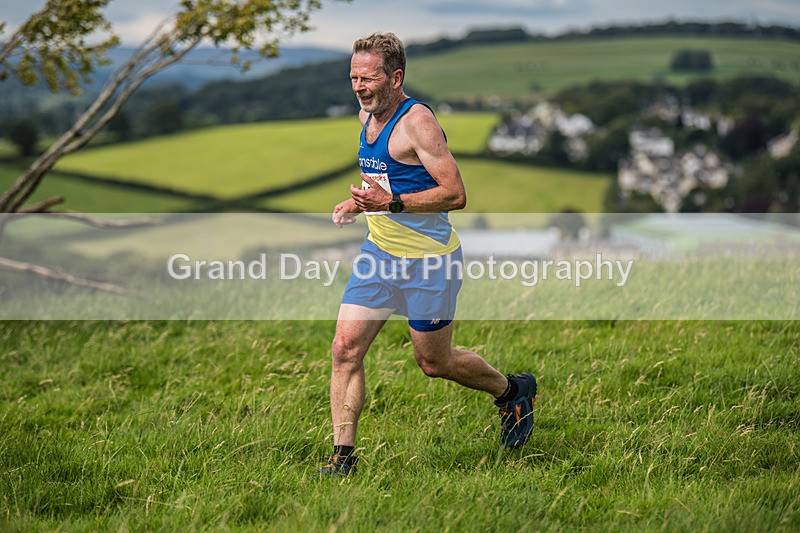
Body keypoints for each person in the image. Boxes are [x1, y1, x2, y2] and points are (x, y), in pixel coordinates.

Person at [320, 32, 536, 477]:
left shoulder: (417, 122)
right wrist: (360, 203)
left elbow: (455, 194)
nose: (359, 87)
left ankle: (512, 391)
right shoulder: (366, 114)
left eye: (369, 78)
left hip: (429, 262)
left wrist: (391, 204)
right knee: (345, 349)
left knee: (434, 362)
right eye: (354, 78)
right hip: (379, 254)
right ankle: (342, 459)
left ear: (396, 77)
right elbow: (383, 178)